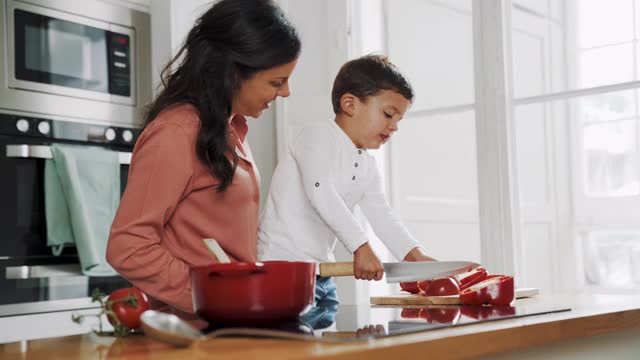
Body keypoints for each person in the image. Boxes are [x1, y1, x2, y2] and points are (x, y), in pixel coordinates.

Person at [106, 0, 300, 316]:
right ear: (233, 71)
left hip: (229, 324)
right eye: (276, 82)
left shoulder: (231, 129)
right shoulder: (177, 132)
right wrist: (213, 297)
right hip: (191, 331)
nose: (286, 92)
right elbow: (128, 247)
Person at [258, 55, 435, 305]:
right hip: (279, 269)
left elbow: (381, 214)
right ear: (350, 104)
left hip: (321, 273)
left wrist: (414, 255)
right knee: (292, 341)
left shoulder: (367, 165)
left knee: (324, 337)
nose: (394, 127)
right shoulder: (316, 136)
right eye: (388, 114)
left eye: (398, 120)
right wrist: (361, 246)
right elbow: (321, 190)